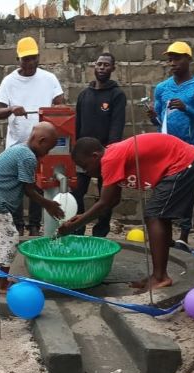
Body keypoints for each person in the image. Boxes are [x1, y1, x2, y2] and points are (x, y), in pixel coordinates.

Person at [58, 133, 194, 290]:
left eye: (85, 166)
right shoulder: (111, 156)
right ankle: (159, 274)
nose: (86, 172)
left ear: (95, 156)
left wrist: (77, 224)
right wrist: (82, 217)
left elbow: (105, 202)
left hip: (184, 162)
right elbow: (114, 200)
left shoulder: (109, 159)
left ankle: (160, 277)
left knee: (154, 215)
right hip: (184, 161)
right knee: (158, 215)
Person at [0, 122, 64, 294]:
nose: (47, 153)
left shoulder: (20, 148)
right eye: (48, 149)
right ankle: (1, 284)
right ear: (41, 141)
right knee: (9, 239)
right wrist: (48, 204)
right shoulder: (28, 157)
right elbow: (29, 189)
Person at [0, 37, 64, 237]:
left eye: (33, 58)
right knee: (18, 186)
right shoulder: (9, 81)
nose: (30, 63)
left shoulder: (49, 79)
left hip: (42, 144)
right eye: (25, 59)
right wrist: (11, 108)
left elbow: (60, 105)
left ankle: (34, 225)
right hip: (17, 144)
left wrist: (52, 113)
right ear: (18, 59)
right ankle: (18, 224)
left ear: (38, 57)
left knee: (38, 183)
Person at [147, 41, 194, 251]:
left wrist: (186, 108)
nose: (173, 63)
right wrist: (154, 117)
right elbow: (160, 121)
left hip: (188, 148)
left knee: (186, 192)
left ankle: (184, 235)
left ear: (189, 59)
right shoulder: (162, 88)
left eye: (178, 58)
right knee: (163, 190)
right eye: (170, 59)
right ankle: (166, 233)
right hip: (165, 150)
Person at [72, 52, 126, 237]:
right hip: (84, 156)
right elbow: (77, 125)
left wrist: (110, 153)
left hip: (105, 155)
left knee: (106, 197)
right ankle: (77, 228)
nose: (102, 68)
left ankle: (100, 232)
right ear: (94, 67)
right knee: (77, 192)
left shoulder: (116, 95)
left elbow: (117, 125)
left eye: (106, 65)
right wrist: (76, 151)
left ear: (113, 68)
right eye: (99, 64)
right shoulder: (84, 95)